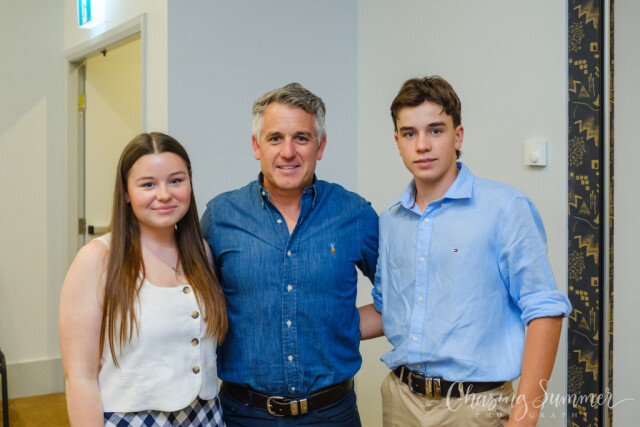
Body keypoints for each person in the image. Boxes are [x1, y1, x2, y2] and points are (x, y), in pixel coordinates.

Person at [365, 76, 572, 426]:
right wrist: (313, 320)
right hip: (401, 402)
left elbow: (544, 311)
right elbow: (389, 311)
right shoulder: (391, 220)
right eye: (410, 133)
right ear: (397, 142)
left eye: (435, 130)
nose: (422, 145)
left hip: (474, 406)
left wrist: (524, 417)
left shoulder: (505, 208)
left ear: (458, 136)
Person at [200, 83, 378, 426]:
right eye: (275, 138)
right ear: (257, 146)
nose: (288, 152)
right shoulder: (220, 216)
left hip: (332, 415)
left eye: (301, 138)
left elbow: (401, 297)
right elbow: (192, 306)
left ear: (320, 146)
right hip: (243, 415)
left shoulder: (354, 214)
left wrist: (338, 323)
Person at [59, 132, 228, 426]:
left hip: (206, 416)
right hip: (132, 418)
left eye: (176, 181)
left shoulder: (201, 251)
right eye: (148, 184)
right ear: (126, 192)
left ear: (189, 182)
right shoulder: (97, 259)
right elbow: (80, 377)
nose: (164, 195)